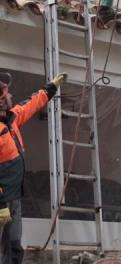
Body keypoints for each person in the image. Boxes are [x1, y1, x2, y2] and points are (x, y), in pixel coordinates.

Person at [0, 71, 67, 264]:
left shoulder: (10, 119)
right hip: (2, 202)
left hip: (13, 199)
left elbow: (31, 104)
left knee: (14, 248)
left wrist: (51, 88)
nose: (10, 96)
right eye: (6, 93)